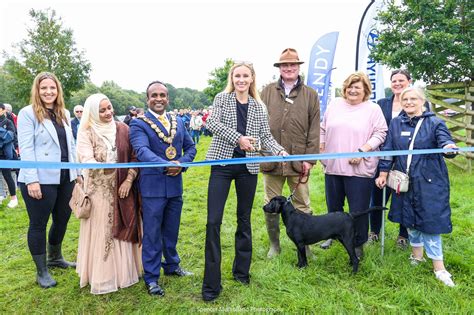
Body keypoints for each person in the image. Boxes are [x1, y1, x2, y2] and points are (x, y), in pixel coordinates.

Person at [202, 61, 287, 302]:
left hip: (247, 168)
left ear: (252, 79)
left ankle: (241, 272)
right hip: (222, 165)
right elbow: (212, 123)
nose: (241, 80)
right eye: (237, 76)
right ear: (232, 78)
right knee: (212, 222)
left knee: (244, 220)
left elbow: (266, 138)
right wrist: (239, 138)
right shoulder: (222, 98)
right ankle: (211, 284)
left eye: (245, 76)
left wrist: (281, 152)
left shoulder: (259, 107)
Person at [376, 87, 458, 287]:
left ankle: (439, 268)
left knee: (430, 224)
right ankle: (417, 256)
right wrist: (384, 172)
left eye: (414, 99)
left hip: (429, 182)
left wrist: (449, 148)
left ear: (423, 101)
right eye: (405, 99)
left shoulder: (435, 122)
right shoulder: (396, 124)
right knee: (409, 219)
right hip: (404, 181)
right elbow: (388, 150)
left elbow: (445, 141)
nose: (409, 102)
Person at [129, 81, 196, 297]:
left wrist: (182, 163)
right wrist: (165, 164)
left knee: (171, 230)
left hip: (175, 187)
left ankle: (172, 265)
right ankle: (151, 277)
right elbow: (141, 150)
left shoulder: (177, 121)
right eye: (154, 95)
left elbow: (191, 146)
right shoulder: (138, 123)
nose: (159, 99)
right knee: (152, 234)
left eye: (163, 95)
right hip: (152, 188)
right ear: (147, 98)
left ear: (168, 98)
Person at [17, 72, 80, 288]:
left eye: (52, 88)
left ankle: (55, 257)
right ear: (37, 90)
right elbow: (26, 148)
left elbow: (70, 145)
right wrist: (32, 179)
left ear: (58, 90)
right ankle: (41, 271)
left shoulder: (64, 112)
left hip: (65, 176)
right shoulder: (27, 114)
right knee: (38, 224)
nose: (48, 92)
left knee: (62, 219)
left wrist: (77, 172)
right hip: (40, 178)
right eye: (44, 88)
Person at [75, 93, 141, 294]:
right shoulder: (86, 131)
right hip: (100, 192)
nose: (108, 113)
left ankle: (126, 272)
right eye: (102, 110)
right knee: (104, 231)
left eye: (109, 108)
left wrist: (128, 180)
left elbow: (134, 156)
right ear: (93, 112)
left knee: (125, 224)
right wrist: (107, 170)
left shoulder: (123, 129)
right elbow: (86, 159)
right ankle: (105, 277)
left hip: (123, 189)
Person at [319, 71, 387, 259]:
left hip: (359, 168)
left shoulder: (373, 109)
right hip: (333, 165)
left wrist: (363, 150)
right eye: (350, 86)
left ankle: (358, 243)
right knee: (334, 206)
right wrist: (321, 145)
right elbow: (322, 128)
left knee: (358, 210)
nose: (353, 90)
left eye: (358, 87)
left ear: (365, 90)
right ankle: (332, 234)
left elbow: (381, 133)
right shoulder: (334, 104)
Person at [260, 48, 320, 258]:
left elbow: (314, 128)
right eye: (284, 65)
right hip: (271, 159)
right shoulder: (266, 91)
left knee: (302, 203)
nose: (289, 68)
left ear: (298, 67)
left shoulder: (310, 94)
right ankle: (274, 245)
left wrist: (310, 159)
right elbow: (257, 122)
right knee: (271, 202)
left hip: (298, 159)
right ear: (279, 68)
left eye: (292, 64)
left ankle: (306, 246)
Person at [0, 103, 18, 208]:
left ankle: (13, 198)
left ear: (3, 110)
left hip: (5, 154)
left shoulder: (8, 122)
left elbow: (10, 136)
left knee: (7, 176)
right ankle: (1, 195)